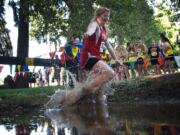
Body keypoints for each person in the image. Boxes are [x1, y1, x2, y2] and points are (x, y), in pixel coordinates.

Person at [64, 7, 120, 106]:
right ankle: (86, 88)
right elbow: (90, 30)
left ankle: (68, 103)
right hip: (89, 57)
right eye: (105, 15)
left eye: (108, 16)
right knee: (110, 73)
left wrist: (116, 59)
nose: (107, 18)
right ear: (99, 15)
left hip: (94, 57)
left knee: (99, 89)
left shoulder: (103, 30)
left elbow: (109, 46)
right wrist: (87, 33)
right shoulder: (94, 24)